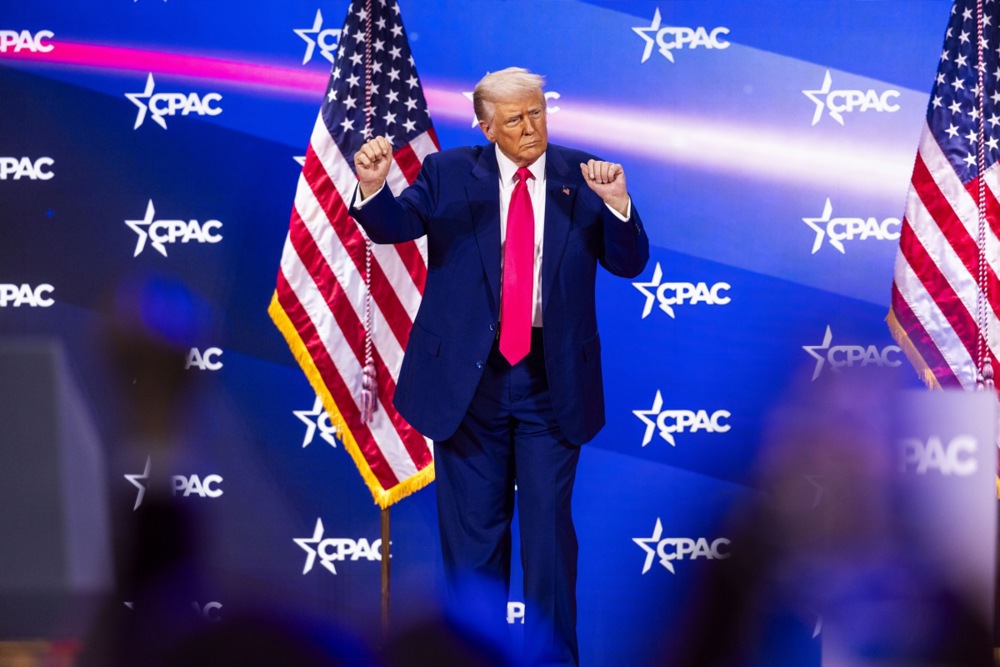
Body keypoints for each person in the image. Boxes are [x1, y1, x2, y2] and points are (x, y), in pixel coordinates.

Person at [351, 67, 648, 666]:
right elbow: (394, 227)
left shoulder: (583, 174)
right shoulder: (448, 172)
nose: (531, 127)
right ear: (487, 128)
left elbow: (629, 262)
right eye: (515, 119)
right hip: (468, 387)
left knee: (548, 545)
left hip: (551, 384)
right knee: (473, 548)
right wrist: (373, 188)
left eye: (537, 112)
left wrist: (618, 205)